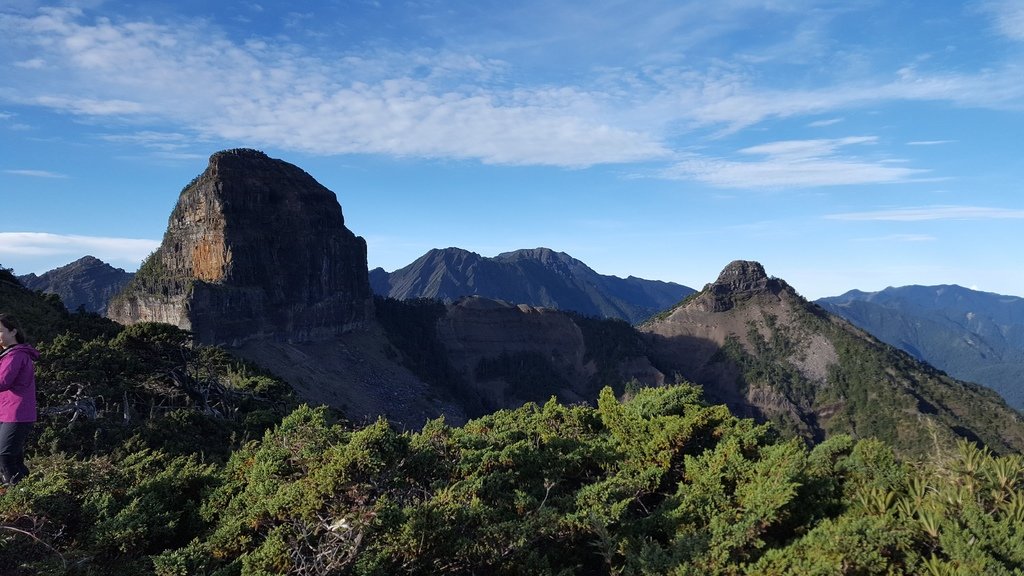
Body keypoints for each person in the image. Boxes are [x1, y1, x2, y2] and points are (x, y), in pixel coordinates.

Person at [0, 314, 39, 485]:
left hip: (16, 414)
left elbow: (3, 382)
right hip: (8, 412)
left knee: (5, 457)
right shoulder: (9, 355)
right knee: (14, 460)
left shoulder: (16, 356)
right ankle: (30, 489)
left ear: (13, 331)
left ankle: (18, 496)